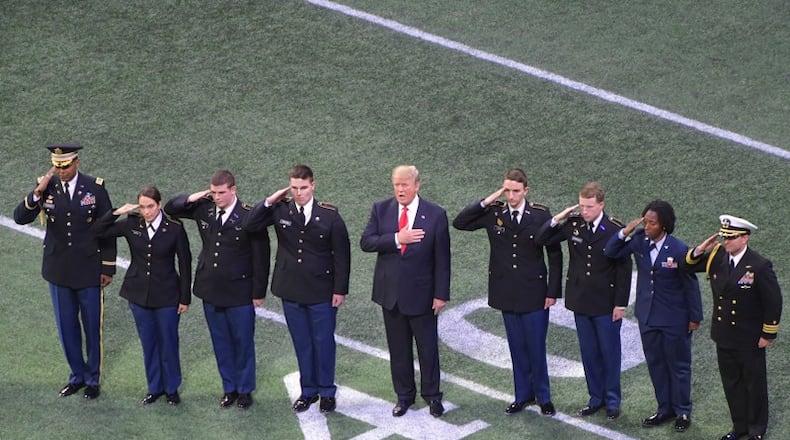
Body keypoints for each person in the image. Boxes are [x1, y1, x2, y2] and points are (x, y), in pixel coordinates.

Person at [452, 168, 562, 416]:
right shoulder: (494, 212)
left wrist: (552, 291)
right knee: (516, 347)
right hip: (506, 292)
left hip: (534, 292)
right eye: (507, 190)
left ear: (526, 191)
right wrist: (486, 201)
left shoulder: (539, 214)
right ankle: (522, 395)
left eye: (515, 191)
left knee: (536, 347)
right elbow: (460, 222)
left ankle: (544, 398)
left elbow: (554, 253)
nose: (511, 196)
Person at [243, 165, 350, 413]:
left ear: (313, 185)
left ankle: (327, 392)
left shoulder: (330, 215)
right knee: (302, 342)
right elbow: (249, 225)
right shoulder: (281, 209)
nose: (299, 192)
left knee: (323, 342)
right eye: (294, 188)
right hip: (290, 289)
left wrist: (340, 290)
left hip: (321, 291)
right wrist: (270, 201)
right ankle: (308, 391)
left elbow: (342, 256)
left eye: (303, 187)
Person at [13, 144, 116, 400]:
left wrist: (107, 267)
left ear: (77, 162)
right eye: (57, 167)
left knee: (92, 328)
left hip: (89, 271)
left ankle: (92, 380)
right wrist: (37, 191)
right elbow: (19, 217)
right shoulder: (45, 186)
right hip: (58, 272)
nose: (61, 171)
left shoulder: (95, 188)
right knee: (66, 328)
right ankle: (77, 376)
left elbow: (108, 229)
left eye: (66, 166)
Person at [164, 170, 270, 410]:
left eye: (222, 192)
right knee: (220, 342)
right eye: (214, 192)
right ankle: (229, 388)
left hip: (240, 291)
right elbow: (171, 208)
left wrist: (258, 292)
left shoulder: (249, 215)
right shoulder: (205, 208)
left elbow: (261, 257)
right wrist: (197, 196)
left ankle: (244, 391)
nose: (218, 197)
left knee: (243, 343)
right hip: (210, 288)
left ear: (233, 190)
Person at [360, 165, 451, 418]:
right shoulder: (381, 209)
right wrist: (398, 238)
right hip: (391, 296)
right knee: (398, 351)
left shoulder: (435, 214)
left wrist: (440, 294)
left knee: (428, 350)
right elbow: (366, 242)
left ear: (417, 185)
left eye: (405, 184)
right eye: (396, 185)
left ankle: (432, 396)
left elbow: (442, 259)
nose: (400, 189)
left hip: (423, 296)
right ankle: (404, 396)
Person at [604, 200, 702, 432]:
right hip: (647, 317)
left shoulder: (678, 249)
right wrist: (625, 231)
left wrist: (695, 317)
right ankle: (664, 408)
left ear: (664, 226)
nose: (646, 226)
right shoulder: (638, 241)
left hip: (674, 319)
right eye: (645, 221)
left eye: (652, 223)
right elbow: (610, 251)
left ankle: (683, 411)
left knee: (678, 366)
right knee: (656, 364)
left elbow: (691, 285)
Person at [536, 181, 631, 420]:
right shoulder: (574, 224)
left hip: (606, 303)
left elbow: (624, 270)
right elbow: (542, 238)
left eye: (589, 207)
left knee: (609, 353)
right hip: (580, 301)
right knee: (588, 353)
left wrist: (621, 303)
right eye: (581, 206)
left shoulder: (613, 230)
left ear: (601, 205)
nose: (584, 211)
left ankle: (612, 401)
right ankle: (595, 398)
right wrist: (558, 218)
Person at [684, 215, 782, 440]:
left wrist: (768, 333)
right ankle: (740, 428)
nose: (726, 241)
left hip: (749, 338)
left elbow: (773, 301)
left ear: (745, 238)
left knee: (754, 385)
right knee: (732, 385)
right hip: (724, 335)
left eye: (732, 237)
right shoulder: (717, 256)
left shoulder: (759, 265)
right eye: (724, 237)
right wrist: (700, 249)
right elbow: (686, 266)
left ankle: (756, 430)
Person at [95, 186, 192, 405]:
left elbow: (185, 264)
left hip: (168, 295)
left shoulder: (174, 228)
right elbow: (97, 231)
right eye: (142, 207)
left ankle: (171, 388)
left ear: (159, 205)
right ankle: (154, 387)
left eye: (150, 206)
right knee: (148, 343)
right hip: (138, 295)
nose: (146, 212)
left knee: (168, 342)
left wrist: (185, 298)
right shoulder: (131, 223)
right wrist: (115, 212)